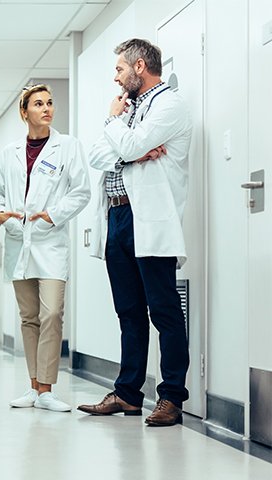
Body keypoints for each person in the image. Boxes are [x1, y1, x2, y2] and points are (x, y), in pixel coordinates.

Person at [77, 38, 192, 427]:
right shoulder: (129, 107)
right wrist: (128, 147)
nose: (116, 77)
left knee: (164, 310)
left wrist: (118, 130)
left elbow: (130, 143)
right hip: (118, 220)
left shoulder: (169, 105)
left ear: (139, 66)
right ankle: (127, 394)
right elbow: (97, 154)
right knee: (128, 311)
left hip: (151, 219)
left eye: (120, 69)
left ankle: (172, 398)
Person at [0, 84, 90, 413]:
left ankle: (47, 388)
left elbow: (81, 191)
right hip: (19, 242)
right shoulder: (9, 153)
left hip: (51, 241)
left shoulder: (68, 147)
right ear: (24, 112)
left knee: (52, 313)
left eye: (49, 103)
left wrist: (54, 216)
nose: (46, 109)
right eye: (38, 104)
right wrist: (0, 214)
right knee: (29, 317)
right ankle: (33, 387)